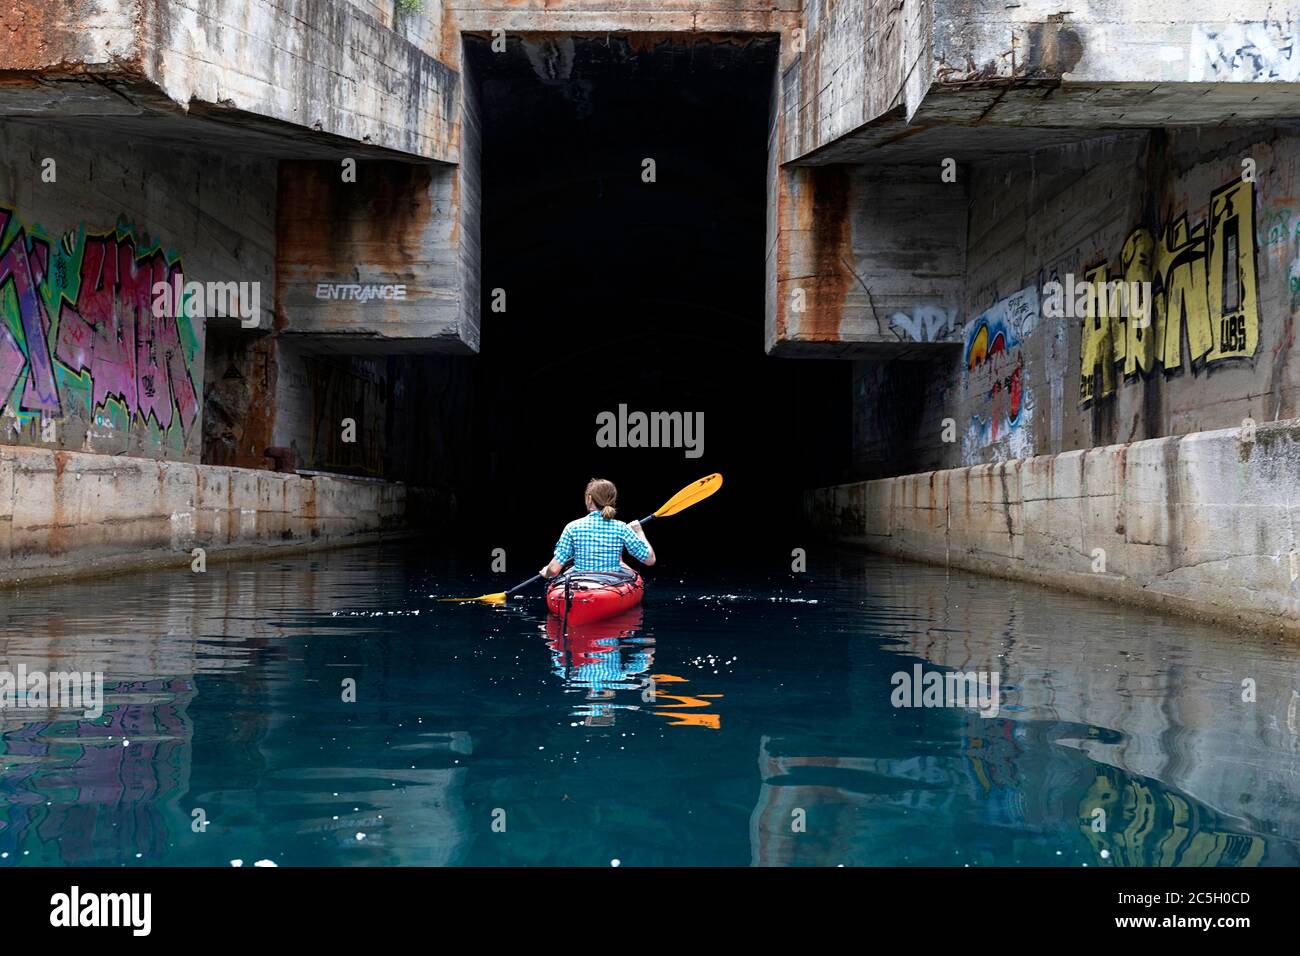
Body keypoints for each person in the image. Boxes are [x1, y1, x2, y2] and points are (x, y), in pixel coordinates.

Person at [540, 478, 655, 579]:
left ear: (589, 499)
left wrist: (547, 572)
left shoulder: (572, 527)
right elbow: (650, 560)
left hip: (581, 584)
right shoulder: (622, 528)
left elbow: (554, 570)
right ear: (613, 500)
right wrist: (639, 532)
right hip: (611, 585)